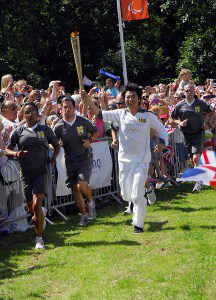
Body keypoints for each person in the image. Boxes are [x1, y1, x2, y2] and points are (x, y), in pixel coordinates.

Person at [81, 83, 168, 234]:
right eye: (127, 97)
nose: (130, 99)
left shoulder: (148, 116)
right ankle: (149, 190)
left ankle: (138, 225)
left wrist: (161, 144)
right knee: (126, 195)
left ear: (139, 99)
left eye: (133, 97)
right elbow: (99, 113)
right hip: (124, 162)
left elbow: (163, 132)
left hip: (141, 161)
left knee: (136, 194)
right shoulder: (120, 114)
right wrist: (87, 99)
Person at [4, 102, 60, 249]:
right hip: (26, 173)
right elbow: (6, 150)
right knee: (31, 209)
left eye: (32, 112)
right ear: (23, 115)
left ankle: (39, 239)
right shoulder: (18, 131)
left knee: (36, 205)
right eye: (26, 112)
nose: (29, 115)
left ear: (37, 114)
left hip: (41, 171)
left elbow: (57, 145)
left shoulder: (45, 130)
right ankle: (41, 213)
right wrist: (16, 153)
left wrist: (53, 158)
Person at [54, 96, 100, 226]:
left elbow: (96, 132)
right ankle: (84, 215)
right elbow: (53, 144)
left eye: (69, 107)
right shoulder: (58, 127)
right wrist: (56, 145)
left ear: (74, 108)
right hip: (69, 160)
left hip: (84, 157)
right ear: (61, 109)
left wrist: (89, 141)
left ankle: (90, 202)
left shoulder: (83, 121)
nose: (67, 109)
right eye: (64, 107)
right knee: (74, 189)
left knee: (81, 184)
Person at [171, 83, 213, 192]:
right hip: (186, 135)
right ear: (183, 92)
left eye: (191, 90)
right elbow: (172, 118)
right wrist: (180, 123)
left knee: (195, 157)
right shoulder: (180, 105)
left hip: (198, 133)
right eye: (187, 90)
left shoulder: (200, 103)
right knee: (192, 159)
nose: (189, 92)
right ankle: (200, 178)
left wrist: (207, 123)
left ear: (195, 91)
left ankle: (198, 182)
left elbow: (212, 112)